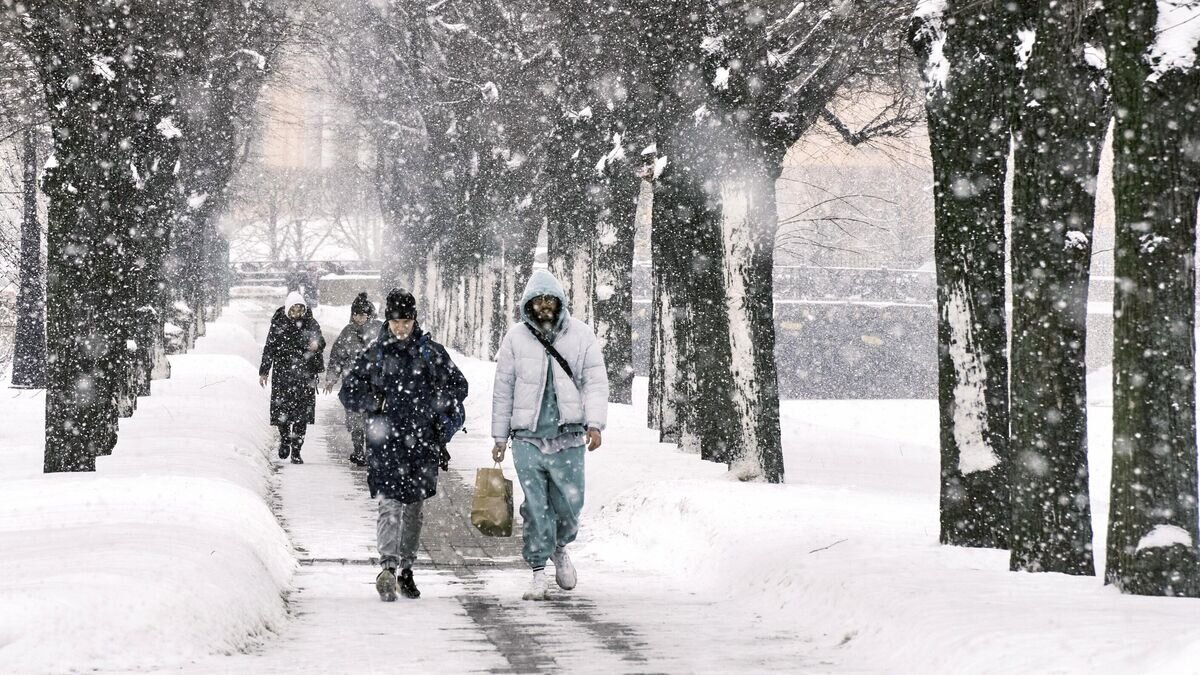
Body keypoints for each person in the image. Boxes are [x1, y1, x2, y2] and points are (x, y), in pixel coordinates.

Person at [340, 288, 468, 601]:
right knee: (388, 507)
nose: (401, 327)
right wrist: (375, 400)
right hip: (385, 444)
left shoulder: (431, 353)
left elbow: (459, 386)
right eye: (396, 321)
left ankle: (406, 568)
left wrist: (435, 410)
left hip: (421, 446)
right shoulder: (374, 353)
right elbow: (348, 393)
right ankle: (387, 567)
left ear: (414, 319)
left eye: (406, 320)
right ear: (388, 320)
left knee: (414, 510)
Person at [491, 269, 608, 601]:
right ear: (528, 304)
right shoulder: (515, 338)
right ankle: (538, 570)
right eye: (538, 301)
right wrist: (500, 437)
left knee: (570, 503)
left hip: (569, 436)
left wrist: (595, 424)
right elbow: (504, 389)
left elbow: (595, 383)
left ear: (559, 302)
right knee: (537, 506)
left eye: (549, 300)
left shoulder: (582, 336)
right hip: (527, 437)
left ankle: (560, 546)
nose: (544, 306)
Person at [259, 291, 326, 464]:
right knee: (283, 413)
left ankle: (296, 451)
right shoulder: (278, 324)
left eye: (300, 309)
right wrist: (264, 371)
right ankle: (285, 439)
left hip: (305, 377)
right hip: (283, 376)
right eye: (294, 309)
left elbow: (321, 341)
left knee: (301, 417)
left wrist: (316, 344)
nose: (297, 313)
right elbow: (269, 348)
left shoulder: (310, 323)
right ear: (288, 309)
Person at [325, 292, 383, 466]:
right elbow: (337, 357)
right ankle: (359, 451)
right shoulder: (347, 333)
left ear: (369, 314)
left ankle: (373, 452)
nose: (359, 318)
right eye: (356, 314)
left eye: (362, 314)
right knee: (355, 420)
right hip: (352, 384)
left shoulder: (380, 330)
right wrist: (331, 378)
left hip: (374, 384)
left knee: (372, 420)